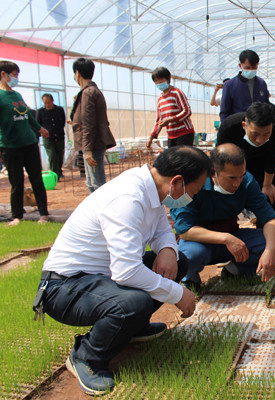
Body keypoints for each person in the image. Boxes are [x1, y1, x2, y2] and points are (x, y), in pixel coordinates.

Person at [37, 146, 210, 395]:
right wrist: (178, 293)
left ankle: (131, 328)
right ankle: (87, 356)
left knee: (178, 262)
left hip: (101, 278)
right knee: (133, 303)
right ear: (176, 182)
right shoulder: (128, 199)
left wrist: (169, 252)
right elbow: (126, 272)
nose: (190, 198)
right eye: (192, 192)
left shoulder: (152, 190)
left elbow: (162, 230)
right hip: (65, 286)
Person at [171, 143, 275, 291]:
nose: (237, 183)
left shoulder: (246, 182)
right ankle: (189, 277)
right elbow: (184, 230)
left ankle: (234, 271)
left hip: (232, 236)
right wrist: (226, 238)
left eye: (241, 176)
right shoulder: (191, 183)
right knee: (190, 256)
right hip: (199, 241)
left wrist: (270, 249)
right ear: (213, 172)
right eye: (231, 178)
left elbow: (269, 219)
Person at [0, 60, 50, 226]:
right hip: (10, 146)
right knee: (17, 182)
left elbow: (27, 116)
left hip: (29, 143)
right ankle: (17, 216)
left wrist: (40, 129)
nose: (16, 78)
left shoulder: (17, 95)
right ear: (3, 75)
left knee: (37, 179)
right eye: (14, 75)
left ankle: (43, 214)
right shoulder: (0, 97)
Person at [216, 102, 275, 211]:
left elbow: (272, 159)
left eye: (266, 134)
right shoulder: (229, 126)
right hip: (234, 162)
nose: (260, 140)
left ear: (272, 126)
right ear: (244, 125)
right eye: (255, 134)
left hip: (262, 161)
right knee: (225, 199)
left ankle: (264, 224)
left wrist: (267, 185)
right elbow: (219, 159)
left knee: (267, 200)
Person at [71, 58, 116, 193]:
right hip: (92, 143)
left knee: (97, 183)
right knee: (91, 182)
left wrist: (88, 149)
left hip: (93, 144)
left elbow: (89, 123)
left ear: (77, 73)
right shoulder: (92, 91)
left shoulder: (88, 93)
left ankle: (101, 211)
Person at [146, 67, 195, 149]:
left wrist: (170, 119)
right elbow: (159, 120)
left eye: (161, 81)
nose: (158, 83)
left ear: (168, 79)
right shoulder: (160, 99)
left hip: (184, 133)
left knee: (182, 159)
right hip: (171, 135)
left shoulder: (176, 92)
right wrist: (152, 136)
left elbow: (187, 111)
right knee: (172, 160)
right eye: (156, 81)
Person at [219, 50, 270, 122]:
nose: (251, 70)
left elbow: (266, 105)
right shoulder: (230, 85)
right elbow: (224, 112)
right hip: (237, 127)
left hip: (258, 127)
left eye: (254, 67)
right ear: (240, 65)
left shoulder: (261, 83)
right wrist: (226, 129)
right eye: (247, 68)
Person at [37, 93, 66, 180]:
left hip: (59, 136)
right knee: (52, 156)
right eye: (45, 103)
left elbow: (62, 122)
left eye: (48, 103)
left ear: (52, 101)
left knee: (59, 155)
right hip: (48, 138)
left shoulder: (59, 110)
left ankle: (59, 171)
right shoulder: (40, 112)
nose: (47, 105)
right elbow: (38, 124)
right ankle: (55, 175)